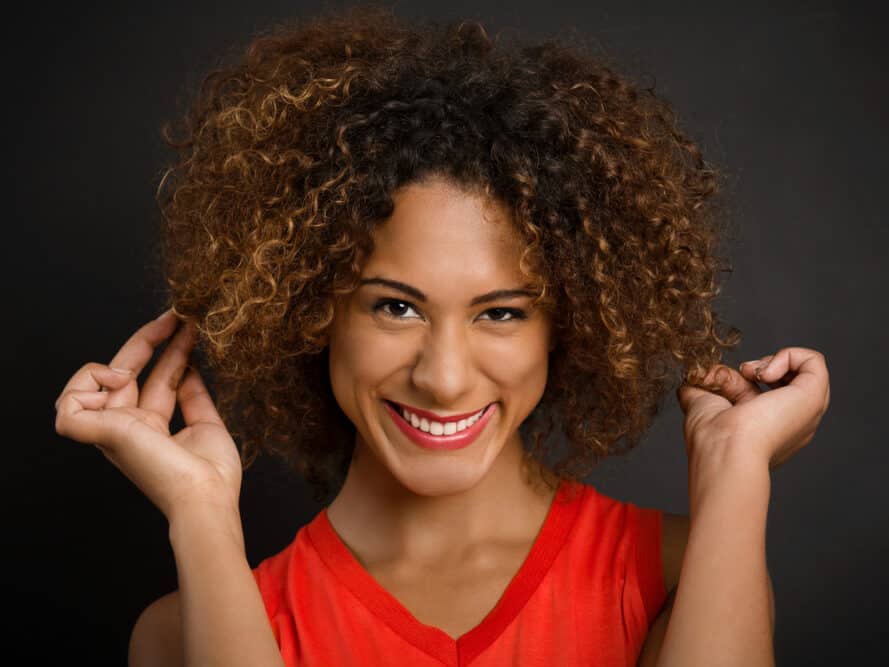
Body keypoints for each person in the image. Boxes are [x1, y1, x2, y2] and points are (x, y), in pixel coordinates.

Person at [53, 5, 830, 666]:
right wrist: (200, 513)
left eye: (501, 311)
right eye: (396, 307)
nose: (446, 377)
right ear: (313, 306)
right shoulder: (182, 631)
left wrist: (734, 467)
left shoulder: (685, 570)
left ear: (565, 325)